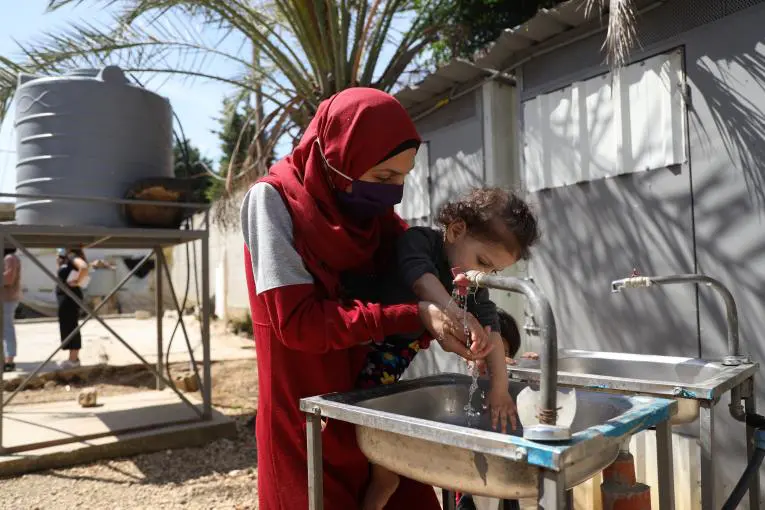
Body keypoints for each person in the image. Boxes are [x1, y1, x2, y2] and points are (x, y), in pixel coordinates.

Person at [241, 88, 492, 510]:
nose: (394, 191)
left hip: (371, 405)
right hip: (306, 416)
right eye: (382, 178)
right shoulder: (273, 202)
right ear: (336, 157)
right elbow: (297, 323)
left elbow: (421, 272)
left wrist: (474, 324)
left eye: (402, 177)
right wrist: (412, 315)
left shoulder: (374, 219)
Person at [355, 187, 540, 510]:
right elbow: (420, 280)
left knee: (390, 477)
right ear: (456, 230)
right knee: (385, 478)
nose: (482, 276)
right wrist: (453, 311)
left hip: (393, 362)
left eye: (492, 272)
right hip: (360, 346)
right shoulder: (420, 242)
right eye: (482, 262)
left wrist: (499, 389)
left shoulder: (473, 284)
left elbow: (492, 330)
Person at [56, 248, 89, 369]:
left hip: (70, 298)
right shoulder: (68, 258)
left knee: (71, 326)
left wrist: (77, 281)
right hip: (67, 297)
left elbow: (84, 268)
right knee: (68, 325)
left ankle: (73, 359)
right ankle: (73, 358)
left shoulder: (72, 255)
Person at [2, 247, 21, 372]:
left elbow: (8, 279)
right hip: (6, 297)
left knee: (7, 329)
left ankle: (9, 361)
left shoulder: (10, 258)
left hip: (7, 298)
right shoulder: (11, 258)